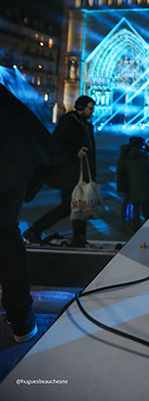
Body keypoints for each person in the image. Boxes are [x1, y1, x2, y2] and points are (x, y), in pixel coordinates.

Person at [0, 83, 67, 342]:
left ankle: (22, 320)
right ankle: (22, 322)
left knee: (6, 236)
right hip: (17, 159)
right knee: (7, 237)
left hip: (12, 159)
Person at [23, 95, 96, 248]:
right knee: (73, 206)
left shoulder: (86, 125)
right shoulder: (69, 122)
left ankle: (78, 237)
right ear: (81, 107)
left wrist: (91, 175)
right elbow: (57, 144)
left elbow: (91, 153)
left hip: (79, 173)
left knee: (76, 206)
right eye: (90, 108)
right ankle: (36, 230)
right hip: (68, 173)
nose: (92, 111)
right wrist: (75, 151)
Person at [116, 136, 149, 232]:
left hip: (129, 186)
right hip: (145, 186)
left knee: (134, 207)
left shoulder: (125, 155)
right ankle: (148, 227)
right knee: (147, 207)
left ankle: (134, 227)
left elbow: (120, 171)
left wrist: (120, 186)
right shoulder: (145, 155)